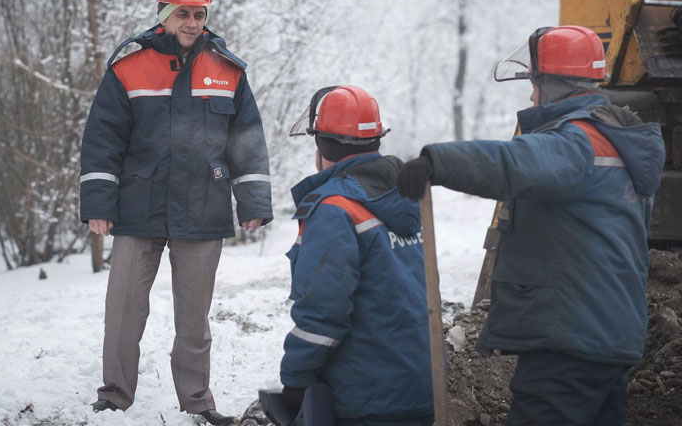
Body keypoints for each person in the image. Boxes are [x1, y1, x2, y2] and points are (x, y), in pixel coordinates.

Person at [397, 25, 665, 425]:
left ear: (555, 84)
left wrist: (437, 163)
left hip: (568, 343)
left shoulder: (577, 143)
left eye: (535, 83)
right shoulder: (619, 141)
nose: (531, 95)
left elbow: (514, 162)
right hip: (608, 337)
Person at [79, 0, 273, 425]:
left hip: (203, 208)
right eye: (184, 13)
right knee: (123, 309)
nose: (193, 23)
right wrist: (99, 206)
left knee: (194, 317)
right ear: (164, 13)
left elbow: (247, 138)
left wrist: (254, 203)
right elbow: (102, 140)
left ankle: (198, 402)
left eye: (200, 14)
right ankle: (114, 396)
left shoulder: (228, 71)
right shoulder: (128, 67)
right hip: (137, 207)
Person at [279, 86, 434, 426]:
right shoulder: (409, 193)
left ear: (321, 144)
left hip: (367, 396)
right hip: (425, 385)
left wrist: (295, 381)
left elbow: (322, 311)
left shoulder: (333, 209)